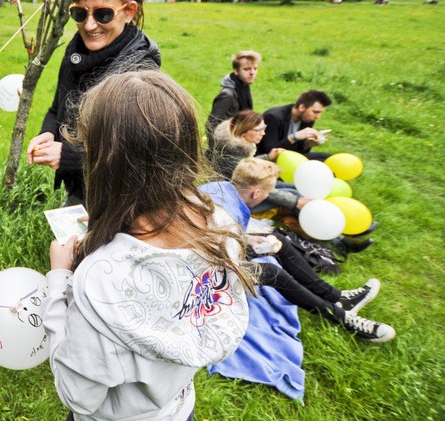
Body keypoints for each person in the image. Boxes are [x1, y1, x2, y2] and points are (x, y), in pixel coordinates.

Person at [42, 70, 253, 420]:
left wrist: (59, 278)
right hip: (178, 408)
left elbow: (77, 394)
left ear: (104, 163)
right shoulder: (221, 225)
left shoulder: (98, 280)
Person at [201, 158, 395, 343]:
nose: (269, 196)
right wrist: (249, 243)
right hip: (203, 275)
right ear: (256, 193)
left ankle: (337, 297)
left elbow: (218, 237)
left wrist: (249, 239)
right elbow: (223, 258)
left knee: (278, 241)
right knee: (272, 272)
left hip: (207, 251)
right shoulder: (231, 215)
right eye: (268, 193)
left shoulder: (217, 188)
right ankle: (343, 318)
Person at [27, 0, 160, 206]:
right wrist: (48, 132)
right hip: (82, 187)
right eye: (79, 13)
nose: (89, 25)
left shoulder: (140, 69)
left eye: (103, 14)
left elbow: (134, 153)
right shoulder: (76, 50)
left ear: (129, 11)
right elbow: (58, 108)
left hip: (125, 199)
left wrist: (68, 156)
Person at [211, 110, 309, 214]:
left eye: (264, 128)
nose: (263, 133)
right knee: (293, 194)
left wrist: (268, 157)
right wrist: (294, 202)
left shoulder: (238, 143)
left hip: (249, 188)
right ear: (243, 132)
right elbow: (256, 186)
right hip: (235, 200)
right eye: (259, 130)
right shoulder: (231, 152)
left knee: (292, 187)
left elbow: (247, 164)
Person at [256, 90, 333, 161]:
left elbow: (298, 152)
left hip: (290, 158)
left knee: (329, 158)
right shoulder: (273, 117)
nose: (318, 117)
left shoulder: (307, 119)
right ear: (302, 107)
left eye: (320, 113)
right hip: (266, 160)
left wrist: (307, 145)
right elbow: (270, 150)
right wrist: (294, 137)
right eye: (315, 112)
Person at [205, 50, 261, 142]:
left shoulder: (244, 88)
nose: (252, 73)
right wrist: (218, 150)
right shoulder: (227, 95)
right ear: (236, 71)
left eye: (255, 68)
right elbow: (211, 125)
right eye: (247, 69)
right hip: (227, 146)